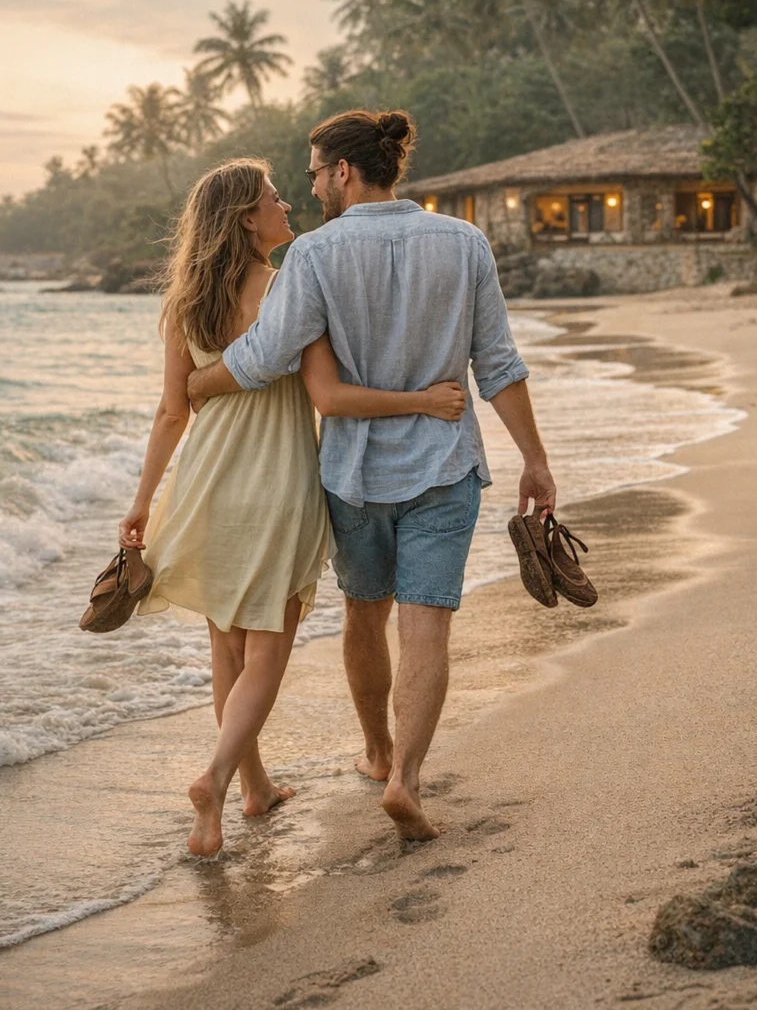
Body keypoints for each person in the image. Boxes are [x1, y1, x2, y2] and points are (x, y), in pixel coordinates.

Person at [186, 112, 557, 843]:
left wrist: (198, 385)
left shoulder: (316, 256)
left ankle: (377, 751)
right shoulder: (464, 242)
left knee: (365, 613)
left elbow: (264, 355)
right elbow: (498, 364)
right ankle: (406, 779)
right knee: (427, 629)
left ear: (345, 173)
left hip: (352, 475)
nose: (312, 186)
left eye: (316, 173)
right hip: (445, 467)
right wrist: (535, 460)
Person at [117, 158, 467, 858]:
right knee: (266, 653)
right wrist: (424, 400)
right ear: (248, 218)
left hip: (203, 486)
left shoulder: (185, 302)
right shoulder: (288, 290)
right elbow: (328, 398)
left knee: (226, 643)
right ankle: (217, 779)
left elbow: (169, 412)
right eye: (274, 199)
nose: (287, 206)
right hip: (277, 486)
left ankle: (254, 788)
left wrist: (142, 501)